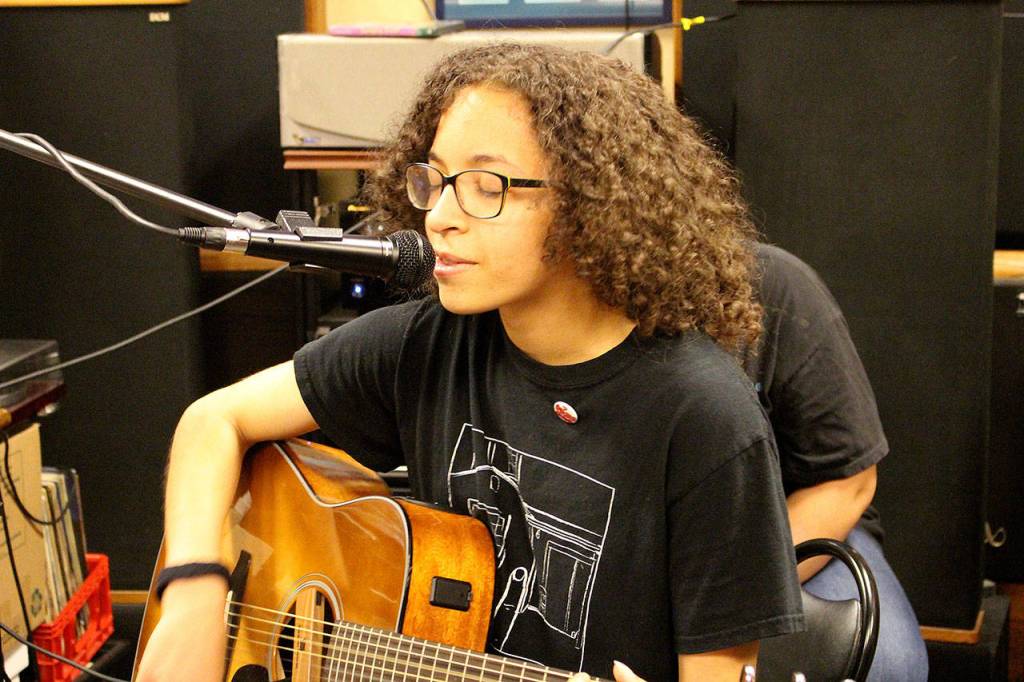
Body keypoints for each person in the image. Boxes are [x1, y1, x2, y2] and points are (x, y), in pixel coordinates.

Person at [136, 43, 805, 682]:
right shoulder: (429, 343)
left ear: (590, 204)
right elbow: (213, 421)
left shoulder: (706, 419)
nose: (439, 218)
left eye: (485, 185)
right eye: (436, 180)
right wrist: (196, 589)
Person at [747, 243, 928, 680]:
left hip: (787, 528)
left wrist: (728, 596)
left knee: (889, 667)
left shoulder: (774, 286)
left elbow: (848, 482)